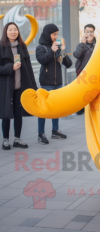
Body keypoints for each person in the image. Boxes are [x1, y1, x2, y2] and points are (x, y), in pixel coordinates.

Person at [0, 22, 37, 150]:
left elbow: (29, 68)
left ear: (18, 32)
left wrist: (34, 87)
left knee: (18, 114)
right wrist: (11, 67)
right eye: (10, 30)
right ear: (6, 32)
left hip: (20, 86)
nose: (13, 32)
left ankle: (17, 138)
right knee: (6, 114)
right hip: (6, 87)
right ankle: (5, 140)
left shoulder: (22, 46)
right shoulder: (1, 46)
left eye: (15, 29)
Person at [36, 23, 72, 144]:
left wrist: (62, 51)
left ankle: (55, 131)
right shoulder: (41, 47)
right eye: (54, 34)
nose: (56, 36)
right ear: (48, 34)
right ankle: (41, 133)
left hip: (58, 82)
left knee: (55, 107)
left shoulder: (57, 48)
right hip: (46, 83)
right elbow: (41, 60)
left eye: (57, 34)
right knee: (43, 109)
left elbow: (67, 63)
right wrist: (51, 51)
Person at [73, 24, 96, 115]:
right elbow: (77, 55)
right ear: (84, 32)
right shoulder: (81, 45)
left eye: (91, 32)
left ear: (94, 33)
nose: (89, 34)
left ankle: (92, 108)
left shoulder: (97, 45)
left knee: (93, 91)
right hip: (82, 72)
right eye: (87, 32)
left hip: (94, 73)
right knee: (81, 92)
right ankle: (80, 108)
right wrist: (82, 44)